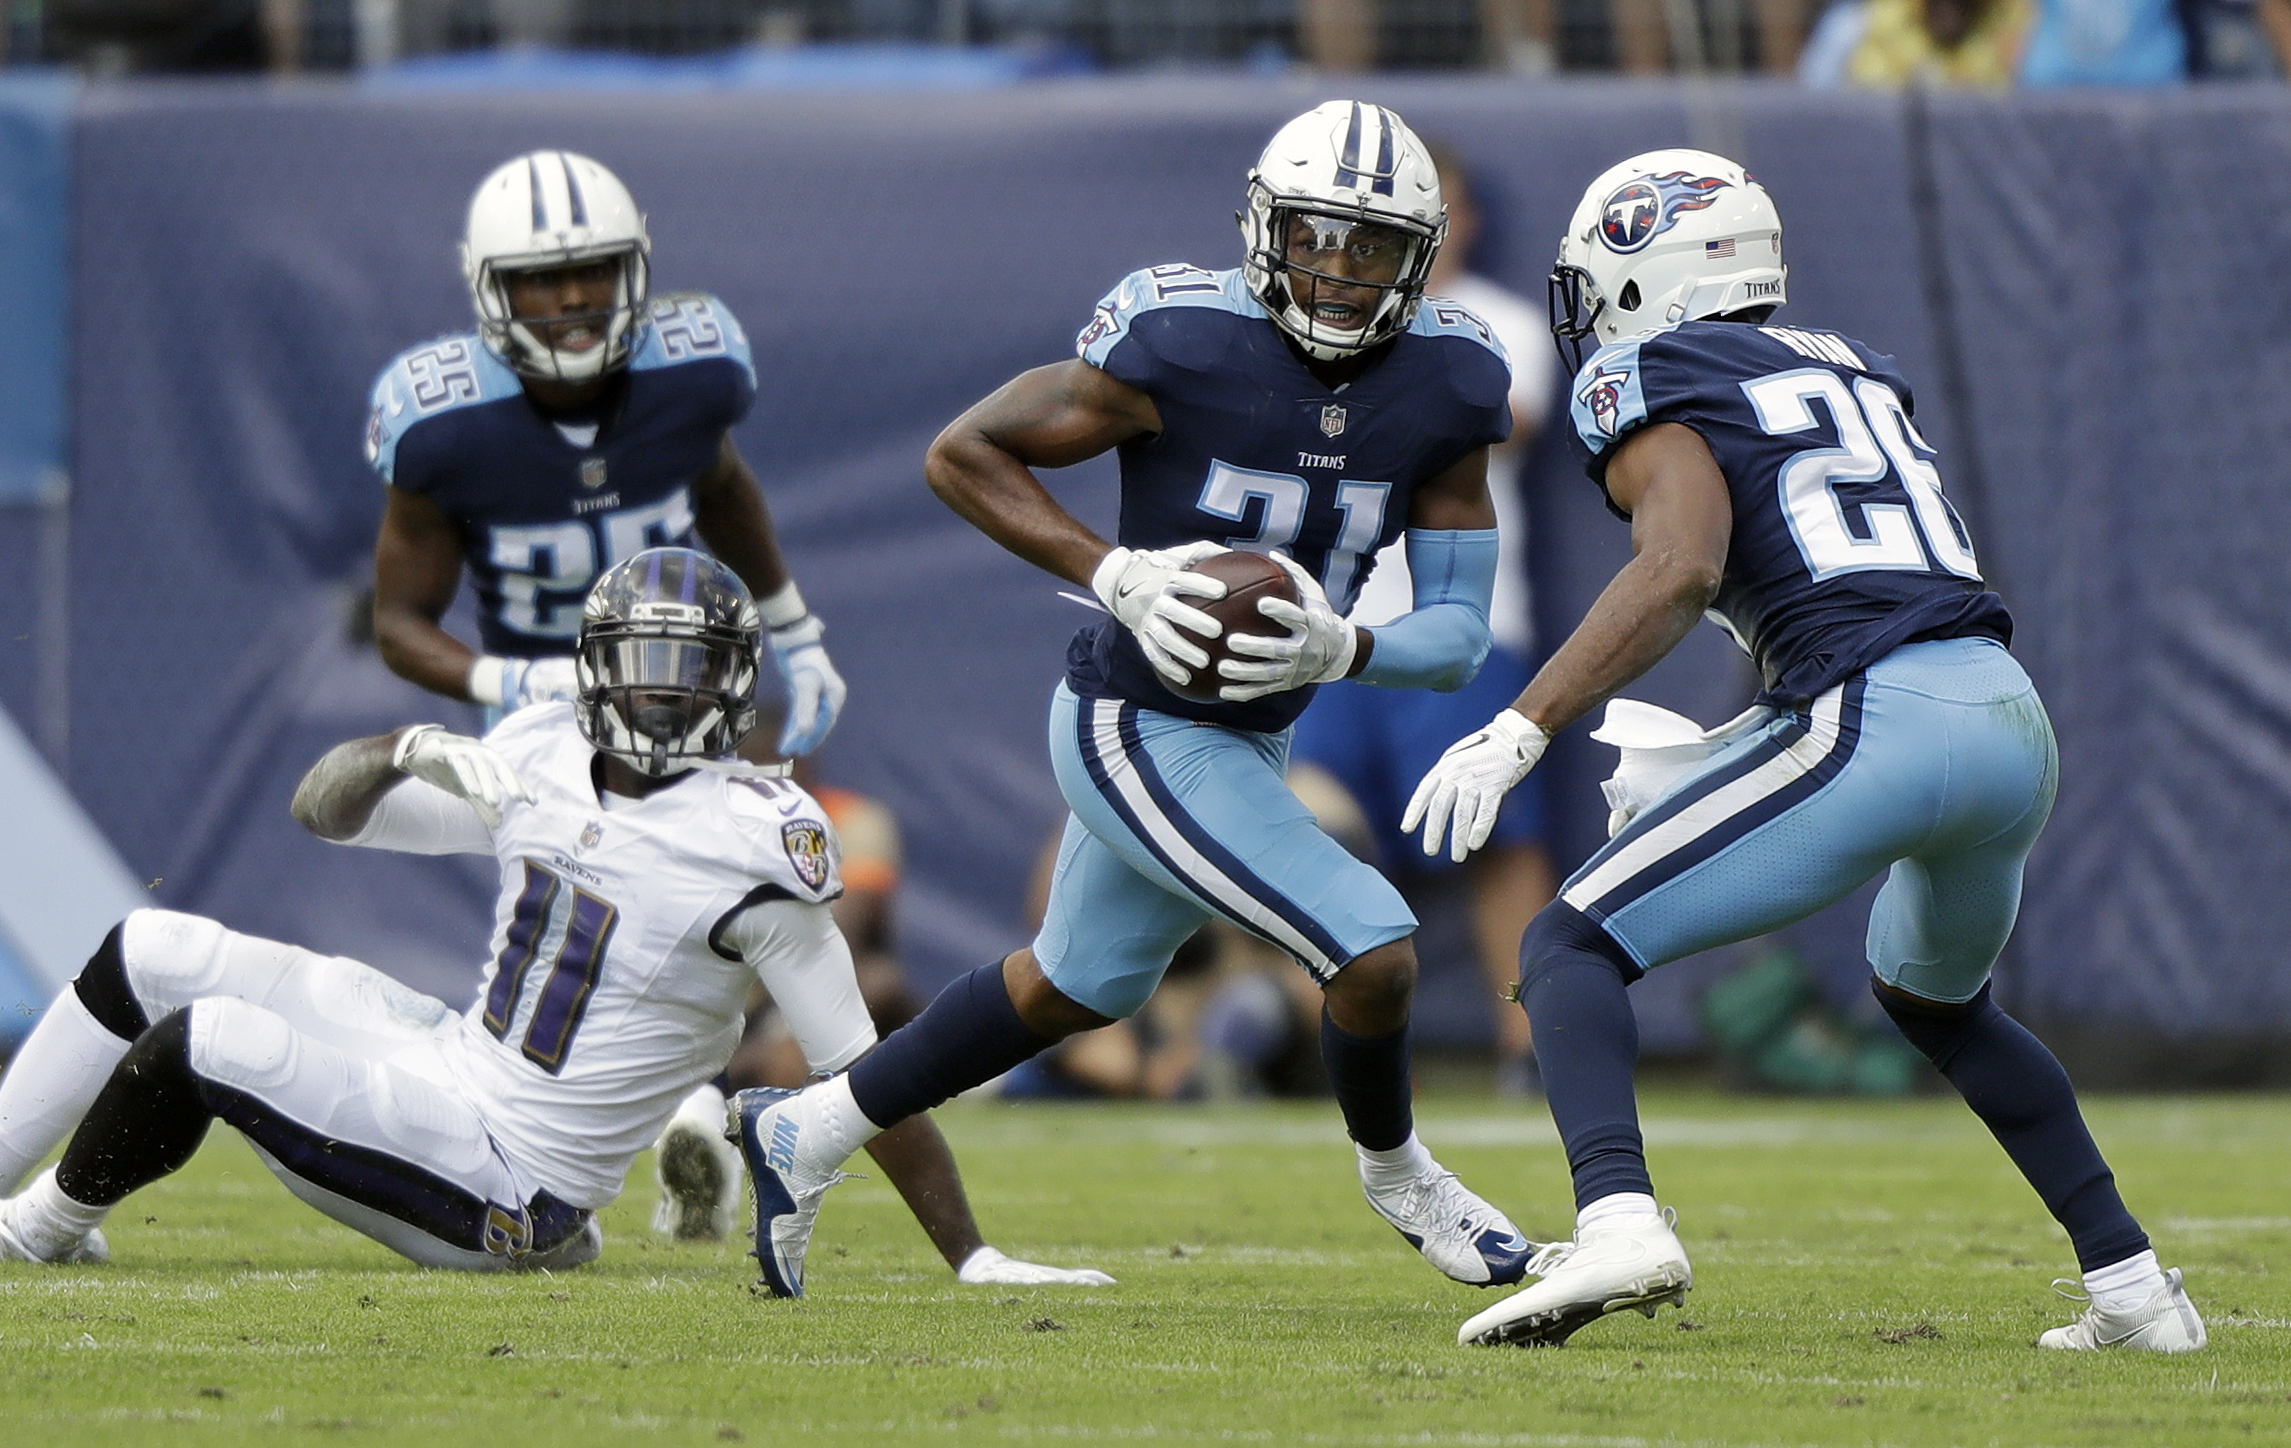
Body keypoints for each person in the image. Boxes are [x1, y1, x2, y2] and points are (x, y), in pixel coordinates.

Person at [721, 99, 1535, 1301]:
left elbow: (1459, 633)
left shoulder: (1450, 380)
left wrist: (1341, 643)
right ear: (1265, 227)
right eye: (1315, 236)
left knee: (1071, 985)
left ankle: (807, 1128)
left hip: (1253, 734)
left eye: (1370, 247)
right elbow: (962, 452)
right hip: (1131, 717)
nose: (1337, 269)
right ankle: (1401, 1173)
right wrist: (1110, 569)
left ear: (1417, 258)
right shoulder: (1180, 338)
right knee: (1373, 946)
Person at [1404, 150, 2205, 1354]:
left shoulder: (1642, 370)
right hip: (2003, 715)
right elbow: (1853, 577)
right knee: (1934, 997)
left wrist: (1523, 725)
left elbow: (1680, 566)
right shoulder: (1854, 367)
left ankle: (1616, 1219)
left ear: (1643, 270)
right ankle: (2136, 1290)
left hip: (1877, 717)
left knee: (1567, 941)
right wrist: (1755, 733)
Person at [0, 550, 1108, 1292]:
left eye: (694, 672)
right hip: (443, 1056)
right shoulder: (533, 751)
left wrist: (969, 1253)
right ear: (594, 669)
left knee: (209, 1045)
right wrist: (397, 750)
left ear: (736, 686)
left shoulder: (753, 837)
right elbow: (320, 814)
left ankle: (37, 1228)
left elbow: (868, 1069)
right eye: (646, 666)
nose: (667, 695)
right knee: (158, 948)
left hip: (505, 1174)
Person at [364, 149, 844, 757]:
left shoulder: (693, 372)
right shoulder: (444, 425)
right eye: (540, 277)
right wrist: (514, 681)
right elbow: (399, 625)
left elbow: (719, 486)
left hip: (684, 695)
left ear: (633, 270)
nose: (572, 298)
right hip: (537, 728)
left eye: (596, 268)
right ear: (490, 286)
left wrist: (796, 633)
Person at [1291, 142, 1558, 1095]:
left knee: (1496, 833)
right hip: (1329, 628)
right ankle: (1300, 1039)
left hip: (1457, 624)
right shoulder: (1320, 313)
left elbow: (1495, 421)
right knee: (1302, 826)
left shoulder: (1502, 322)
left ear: (1464, 219)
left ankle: (1531, 1047)